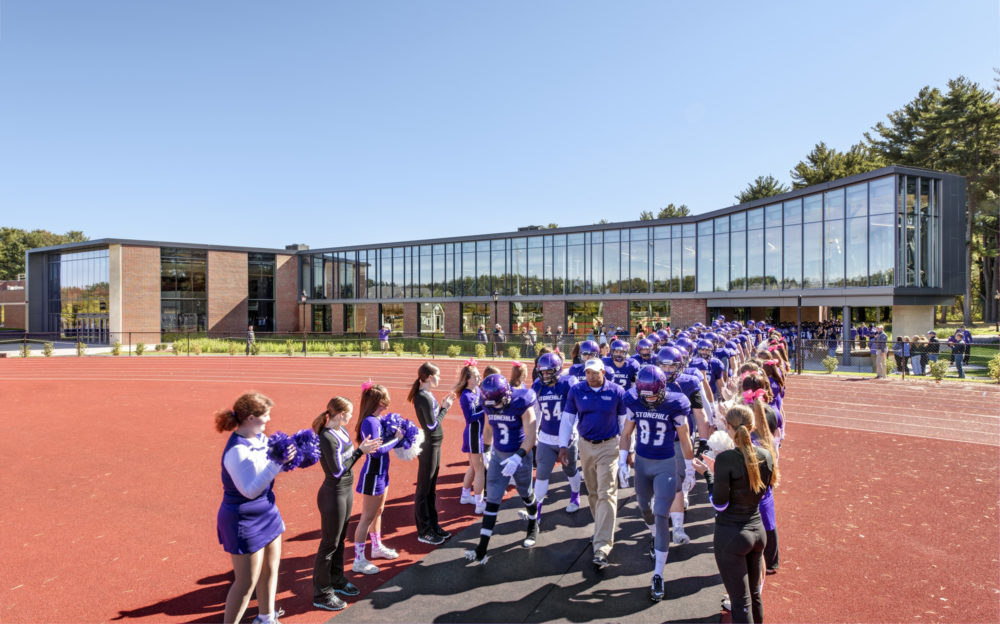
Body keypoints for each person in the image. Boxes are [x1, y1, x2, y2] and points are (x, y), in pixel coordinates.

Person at [215, 392, 296, 624]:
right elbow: (249, 490)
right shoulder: (237, 451)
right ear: (250, 418)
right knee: (245, 583)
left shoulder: (261, 439)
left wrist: (288, 459)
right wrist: (277, 463)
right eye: (266, 415)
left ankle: (266, 618)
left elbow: (268, 471)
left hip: (267, 511)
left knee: (271, 569)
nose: (269, 419)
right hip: (243, 518)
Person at [692, 405, 774, 624]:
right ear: (752, 426)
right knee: (755, 595)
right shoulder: (766, 455)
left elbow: (719, 504)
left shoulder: (727, 459)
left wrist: (708, 475)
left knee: (740, 602)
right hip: (758, 531)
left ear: (728, 427)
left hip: (732, 535)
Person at [619, 366, 693, 602]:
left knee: (661, 513)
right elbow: (627, 432)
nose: (649, 399)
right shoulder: (634, 399)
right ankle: (654, 535)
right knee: (643, 507)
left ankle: (658, 574)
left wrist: (689, 467)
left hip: (665, 463)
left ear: (662, 389)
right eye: (645, 394)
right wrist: (622, 459)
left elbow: (684, 437)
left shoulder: (676, 403)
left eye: (653, 394)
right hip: (642, 462)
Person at [311, 397, 380, 611]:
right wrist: (361, 452)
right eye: (349, 413)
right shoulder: (327, 437)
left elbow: (348, 457)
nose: (351, 417)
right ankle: (321, 594)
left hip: (346, 491)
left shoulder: (343, 430)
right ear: (340, 414)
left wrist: (362, 448)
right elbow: (337, 470)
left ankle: (337, 579)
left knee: (340, 540)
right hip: (334, 494)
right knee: (329, 544)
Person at [558, 358, 627, 569]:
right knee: (593, 491)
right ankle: (601, 530)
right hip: (585, 445)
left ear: (603, 372)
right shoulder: (577, 391)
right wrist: (563, 445)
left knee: (607, 492)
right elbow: (568, 419)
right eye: (588, 372)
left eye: (595, 372)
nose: (591, 376)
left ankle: (602, 545)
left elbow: (624, 423)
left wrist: (627, 451)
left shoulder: (617, 391)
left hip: (609, 446)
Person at [464, 374, 539, 564]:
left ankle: (533, 523)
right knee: (493, 500)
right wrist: (487, 451)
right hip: (498, 455)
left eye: (498, 403)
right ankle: (482, 547)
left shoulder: (522, 401)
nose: (495, 407)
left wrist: (518, 457)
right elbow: (488, 429)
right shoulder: (489, 401)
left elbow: (531, 436)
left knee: (526, 493)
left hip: (520, 455)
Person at [352, 383, 406, 574]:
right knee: (366, 517)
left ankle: (376, 547)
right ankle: (358, 559)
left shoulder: (377, 419)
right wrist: (397, 439)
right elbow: (376, 452)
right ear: (378, 401)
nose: (388, 403)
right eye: (385, 399)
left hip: (382, 473)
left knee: (379, 511)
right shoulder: (370, 422)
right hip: (373, 474)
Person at [531, 352, 582, 523]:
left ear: (557, 370)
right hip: (546, 436)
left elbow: (577, 411)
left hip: (567, 437)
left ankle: (575, 495)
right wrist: (534, 434)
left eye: (548, 372)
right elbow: (536, 412)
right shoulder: (538, 385)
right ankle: (536, 510)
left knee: (570, 469)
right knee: (541, 473)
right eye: (542, 372)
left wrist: (572, 434)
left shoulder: (569, 384)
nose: (545, 375)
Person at [409, 362, 456, 545]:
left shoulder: (428, 395)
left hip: (435, 444)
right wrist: (445, 408)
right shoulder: (423, 397)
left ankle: (433, 525)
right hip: (429, 446)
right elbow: (431, 425)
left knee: (431, 489)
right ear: (429, 377)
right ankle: (424, 530)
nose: (440, 378)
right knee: (424, 489)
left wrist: (443, 405)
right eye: (438, 375)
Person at [455, 361, 489, 515]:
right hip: (473, 434)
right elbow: (470, 418)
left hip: (477, 433)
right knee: (480, 469)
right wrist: (486, 409)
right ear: (467, 379)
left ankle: (465, 495)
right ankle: (479, 503)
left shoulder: (476, 391)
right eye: (475, 376)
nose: (478, 378)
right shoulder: (466, 396)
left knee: (474, 467)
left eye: (478, 375)